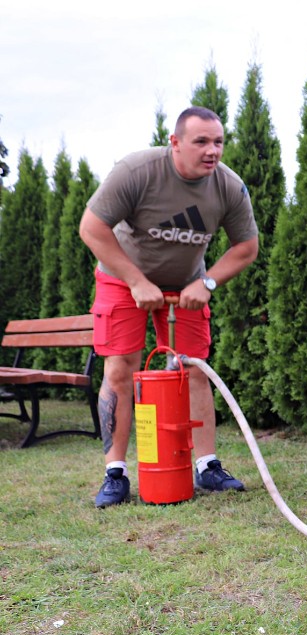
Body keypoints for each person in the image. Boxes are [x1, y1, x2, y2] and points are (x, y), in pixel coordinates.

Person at [79, 106, 259, 508]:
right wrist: (136, 280)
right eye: (201, 141)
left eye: (218, 142)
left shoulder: (228, 187)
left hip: (186, 284)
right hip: (123, 279)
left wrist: (207, 282)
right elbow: (91, 228)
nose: (212, 151)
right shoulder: (137, 171)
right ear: (175, 142)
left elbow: (247, 247)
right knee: (121, 367)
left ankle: (207, 466)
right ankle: (115, 474)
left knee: (192, 368)